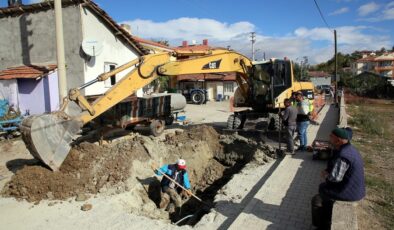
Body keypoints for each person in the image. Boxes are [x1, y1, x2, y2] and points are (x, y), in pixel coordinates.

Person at [311, 127, 365, 229]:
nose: (329, 137)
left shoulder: (343, 155)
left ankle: (322, 226)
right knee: (323, 190)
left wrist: (326, 175)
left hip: (349, 193)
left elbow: (335, 178)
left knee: (318, 197)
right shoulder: (350, 149)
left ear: (338, 140)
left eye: (331, 136)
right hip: (355, 189)